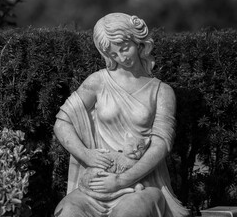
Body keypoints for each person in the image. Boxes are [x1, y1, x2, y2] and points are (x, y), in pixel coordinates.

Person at [53, 13, 189, 217]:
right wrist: (86, 155)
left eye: (125, 48)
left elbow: (161, 146)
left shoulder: (162, 92)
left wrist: (121, 181)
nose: (122, 57)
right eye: (114, 54)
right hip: (97, 182)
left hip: (140, 183)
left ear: (138, 41)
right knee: (67, 212)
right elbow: (62, 123)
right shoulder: (98, 82)